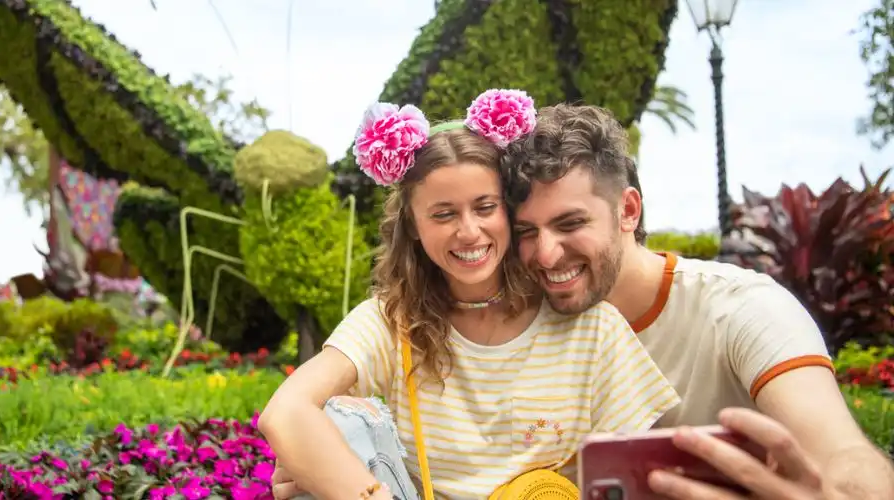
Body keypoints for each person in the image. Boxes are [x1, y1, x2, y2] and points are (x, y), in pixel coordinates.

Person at [257, 90, 681, 500]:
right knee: (334, 433)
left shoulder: (592, 328)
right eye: (443, 214)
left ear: (509, 210)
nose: (468, 231)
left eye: (484, 207)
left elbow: (637, 476)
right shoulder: (391, 320)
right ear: (414, 227)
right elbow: (286, 411)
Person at [499, 102, 894, 499]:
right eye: (527, 231)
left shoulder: (743, 308)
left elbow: (844, 455)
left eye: (570, 223)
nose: (545, 254)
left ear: (628, 210)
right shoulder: (518, 325)